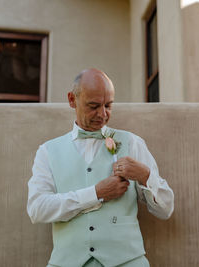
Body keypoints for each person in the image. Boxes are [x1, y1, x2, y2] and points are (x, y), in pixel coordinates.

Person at [27, 68, 174, 267]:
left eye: (108, 105)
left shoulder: (132, 143)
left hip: (128, 262)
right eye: (93, 106)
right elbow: (37, 209)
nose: (103, 114)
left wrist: (145, 176)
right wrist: (95, 193)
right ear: (72, 100)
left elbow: (166, 209)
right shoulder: (47, 151)